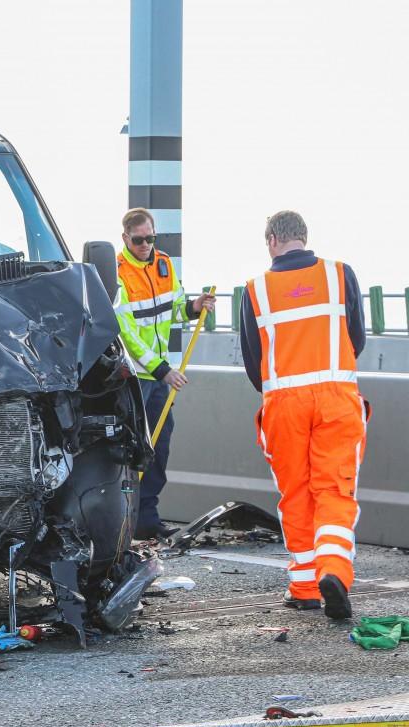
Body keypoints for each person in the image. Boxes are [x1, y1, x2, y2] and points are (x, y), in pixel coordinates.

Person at [241, 211, 367, 620]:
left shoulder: (255, 289)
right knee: (334, 490)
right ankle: (334, 571)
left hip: (284, 404)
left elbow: (252, 358)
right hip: (336, 397)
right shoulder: (339, 274)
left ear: (273, 239)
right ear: (303, 237)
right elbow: (358, 337)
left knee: (295, 493)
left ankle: (305, 587)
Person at [114, 208, 215, 538]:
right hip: (137, 378)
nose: (145, 245)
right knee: (132, 448)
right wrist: (162, 371)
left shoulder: (164, 265)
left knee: (160, 445)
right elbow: (126, 334)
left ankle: (147, 519)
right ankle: (121, 521)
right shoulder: (117, 274)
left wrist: (194, 307)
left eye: (150, 238)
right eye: (139, 240)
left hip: (158, 377)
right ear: (126, 238)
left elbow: (174, 309)